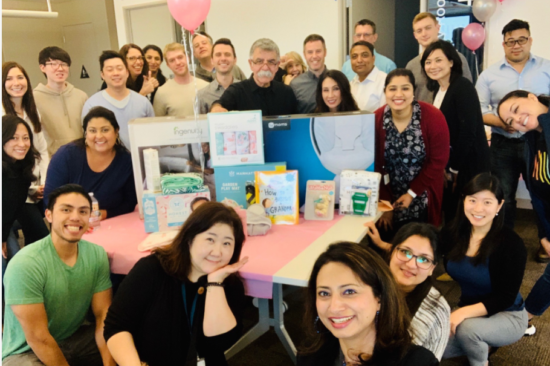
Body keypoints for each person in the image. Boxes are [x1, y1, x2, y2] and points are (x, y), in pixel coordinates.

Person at [104, 202, 248, 366]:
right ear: (189, 238)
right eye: (210, 239)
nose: (217, 252)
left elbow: (218, 344)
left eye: (227, 243)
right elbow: (116, 327)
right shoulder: (152, 269)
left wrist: (214, 284)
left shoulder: (231, 285)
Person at [2, 184, 114, 366]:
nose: (75, 217)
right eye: (66, 210)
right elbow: (38, 338)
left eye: (83, 211)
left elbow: (103, 316)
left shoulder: (96, 254)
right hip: (25, 352)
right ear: (49, 215)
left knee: (125, 338)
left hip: (73, 340)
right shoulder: (26, 263)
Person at [476, 19, 550, 262]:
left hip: (540, 144)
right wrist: (506, 123)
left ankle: (545, 239)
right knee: (504, 195)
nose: (516, 45)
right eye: (510, 41)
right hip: (503, 144)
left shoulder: (546, 68)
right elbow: (480, 109)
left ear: (529, 40)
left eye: (521, 39)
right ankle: (503, 241)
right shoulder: (489, 75)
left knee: (540, 192)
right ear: (503, 44)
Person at [297, 242, 438, 366]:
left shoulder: (418, 362)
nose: (334, 307)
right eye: (324, 293)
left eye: (349, 291)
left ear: (380, 298)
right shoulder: (309, 356)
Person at [440, 173, 528, 366]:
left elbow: (505, 297)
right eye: (472, 200)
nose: (478, 209)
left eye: (487, 202)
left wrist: (459, 314)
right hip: (470, 310)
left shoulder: (512, 244)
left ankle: (481, 361)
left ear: (499, 205)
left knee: (467, 331)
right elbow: (424, 250)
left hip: (508, 314)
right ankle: (485, 342)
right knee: (432, 346)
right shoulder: (453, 233)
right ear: (464, 201)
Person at [497, 91, 550, 335]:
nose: (517, 119)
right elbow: (538, 194)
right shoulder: (532, 140)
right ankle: (522, 318)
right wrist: (544, 234)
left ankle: (521, 319)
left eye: (517, 109)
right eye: (510, 121)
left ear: (532, 96)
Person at [421, 40, 490, 223]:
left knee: (467, 213)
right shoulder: (439, 89)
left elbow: (468, 132)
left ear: (451, 62)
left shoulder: (462, 87)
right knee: (452, 212)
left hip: (468, 163)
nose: (433, 66)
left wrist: (453, 168)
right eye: (428, 62)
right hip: (451, 162)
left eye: (438, 60)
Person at [375, 69, 450, 237]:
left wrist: (411, 194)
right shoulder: (376, 118)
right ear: (385, 91)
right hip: (388, 194)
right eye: (392, 88)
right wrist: (385, 204)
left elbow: (438, 162)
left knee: (420, 241)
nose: (398, 94)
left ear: (414, 91)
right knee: (385, 243)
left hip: (422, 193)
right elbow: (375, 165)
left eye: (405, 88)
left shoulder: (433, 117)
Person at [366, 222, 451, 360]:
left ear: (432, 269)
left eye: (424, 259)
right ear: (392, 252)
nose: (411, 264)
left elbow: (429, 362)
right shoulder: (366, 286)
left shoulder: (437, 310)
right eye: (405, 252)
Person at [45, 107, 137, 220]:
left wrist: (103, 214)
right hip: (69, 224)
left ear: (116, 131)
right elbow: (49, 199)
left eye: (105, 130)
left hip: (111, 224)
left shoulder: (126, 161)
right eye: (92, 130)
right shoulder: (66, 155)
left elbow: (130, 202)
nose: (99, 136)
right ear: (85, 133)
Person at [2, 61, 50, 245]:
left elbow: (41, 150)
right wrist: (30, 188)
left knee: (34, 238)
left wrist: (44, 183)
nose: (16, 83)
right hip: (14, 187)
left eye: (20, 77)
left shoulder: (32, 111)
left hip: (33, 184)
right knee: (41, 236)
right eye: (9, 78)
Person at [82, 50, 154, 148]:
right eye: (110, 69)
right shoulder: (92, 104)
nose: (116, 73)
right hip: (106, 162)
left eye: (119, 69)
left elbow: (153, 135)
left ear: (127, 73)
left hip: (139, 160)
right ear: (102, 75)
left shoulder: (143, 102)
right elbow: (89, 141)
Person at [211, 38, 298, 116]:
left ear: (277, 66)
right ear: (251, 64)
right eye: (259, 61)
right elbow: (219, 104)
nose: (265, 67)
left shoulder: (286, 93)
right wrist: (216, 108)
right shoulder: (237, 91)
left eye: (271, 62)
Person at [2, 115, 44, 276]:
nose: (22, 144)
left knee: (16, 266)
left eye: (26, 138)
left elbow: (9, 211)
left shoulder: (21, 171)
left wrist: (3, 237)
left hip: (5, 225)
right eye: (14, 138)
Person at [406, 12, 472, 104]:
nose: (424, 34)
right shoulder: (411, 66)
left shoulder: (457, 58)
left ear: (438, 28)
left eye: (428, 28)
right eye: (419, 31)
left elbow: (468, 93)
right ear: (415, 35)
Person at [34, 46, 88, 156]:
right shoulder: (34, 98)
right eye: (53, 64)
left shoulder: (81, 95)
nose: (60, 68)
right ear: (42, 67)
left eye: (64, 64)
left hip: (82, 157)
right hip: (51, 160)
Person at [153, 42, 208, 117]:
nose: (178, 63)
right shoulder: (162, 92)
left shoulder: (205, 86)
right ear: (168, 65)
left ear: (187, 58)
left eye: (180, 57)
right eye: (172, 60)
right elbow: (157, 124)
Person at [198, 38, 241, 114]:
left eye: (227, 54)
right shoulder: (202, 96)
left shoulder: (245, 90)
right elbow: (201, 125)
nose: (223, 58)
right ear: (212, 60)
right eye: (218, 55)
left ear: (235, 60)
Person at [290, 34, 328, 113]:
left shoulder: (337, 80)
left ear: (325, 52)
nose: (314, 56)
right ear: (304, 55)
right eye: (310, 52)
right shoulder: (295, 85)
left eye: (318, 51)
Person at [349, 41, 387, 112]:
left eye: (364, 55)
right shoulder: (351, 84)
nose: (359, 60)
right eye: (354, 57)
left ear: (373, 58)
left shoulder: (384, 81)